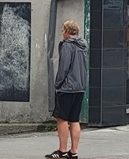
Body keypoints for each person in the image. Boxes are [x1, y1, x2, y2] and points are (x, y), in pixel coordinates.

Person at [47, 20, 88, 159]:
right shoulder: (83, 45)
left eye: (63, 30)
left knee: (62, 118)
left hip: (67, 87)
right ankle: (74, 152)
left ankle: (62, 151)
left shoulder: (67, 46)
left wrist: (58, 84)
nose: (62, 33)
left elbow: (64, 67)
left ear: (67, 31)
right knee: (74, 119)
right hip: (80, 87)